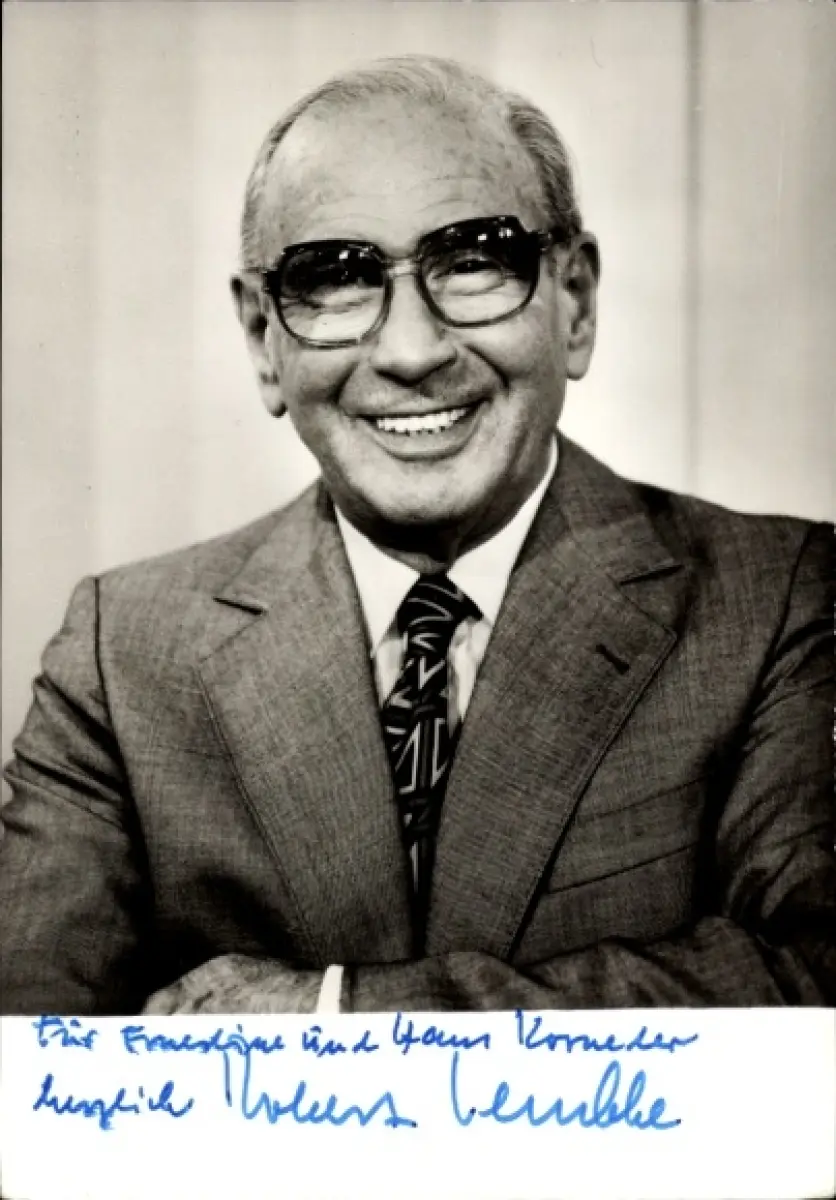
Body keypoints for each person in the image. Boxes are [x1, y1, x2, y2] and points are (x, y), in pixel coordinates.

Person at [1, 56, 833, 1016]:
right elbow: (22, 1055)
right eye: (333, 281)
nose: (410, 351)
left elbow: (815, 984)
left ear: (575, 303)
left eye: (474, 262)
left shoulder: (777, 600)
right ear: (264, 340)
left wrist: (339, 1014)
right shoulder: (123, 655)